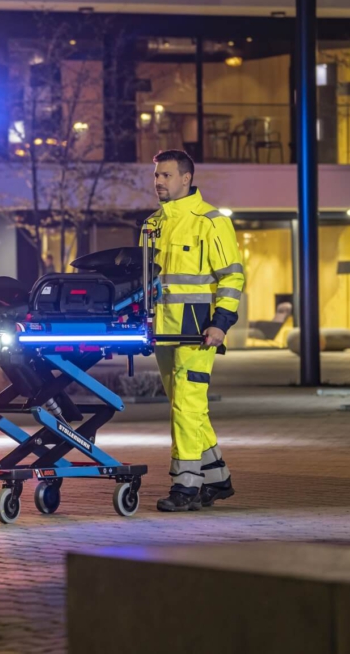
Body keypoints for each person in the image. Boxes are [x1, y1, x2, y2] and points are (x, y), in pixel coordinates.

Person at [146, 149, 244, 513]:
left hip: (197, 331)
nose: (159, 182)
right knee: (187, 407)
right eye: (156, 175)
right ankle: (217, 478)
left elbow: (231, 277)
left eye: (166, 176)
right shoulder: (153, 224)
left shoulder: (210, 221)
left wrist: (220, 324)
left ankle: (185, 486)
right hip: (163, 332)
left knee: (187, 407)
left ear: (186, 178)